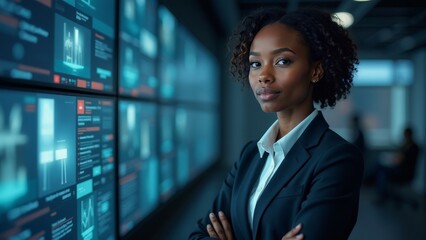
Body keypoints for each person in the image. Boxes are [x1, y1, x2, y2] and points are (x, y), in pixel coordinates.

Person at [189, 7, 363, 240]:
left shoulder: (337, 158)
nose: (264, 75)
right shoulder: (250, 155)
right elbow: (200, 234)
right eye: (255, 63)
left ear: (316, 70)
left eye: (282, 61)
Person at [373, 127, 419, 205]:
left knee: (382, 171)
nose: (404, 137)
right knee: (380, 168)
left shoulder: (413, 147)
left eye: (405, 135)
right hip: (400, 169)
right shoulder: (406, 145)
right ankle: (382, 193)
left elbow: (401, 160)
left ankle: (382, 195)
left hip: (404, 172)